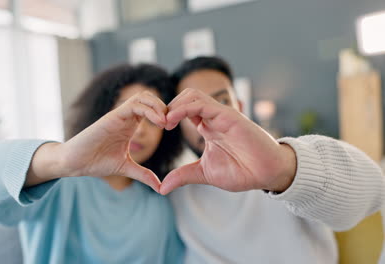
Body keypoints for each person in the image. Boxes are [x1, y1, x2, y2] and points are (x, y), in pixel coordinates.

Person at [161, 56, 385, 263]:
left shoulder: (285, 161)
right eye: (192, 111)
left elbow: (373, 190)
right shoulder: (175, 193)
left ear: (238, 107)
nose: (208, 116)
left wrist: (285, 168)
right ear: (178, 124)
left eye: (221, 101)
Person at [0, 64, 184, 264]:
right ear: (100, 116)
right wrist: (62, 158)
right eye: (131, 115)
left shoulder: (159, 203)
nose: (141, 130)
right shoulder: (57, 183)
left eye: (153, 121)